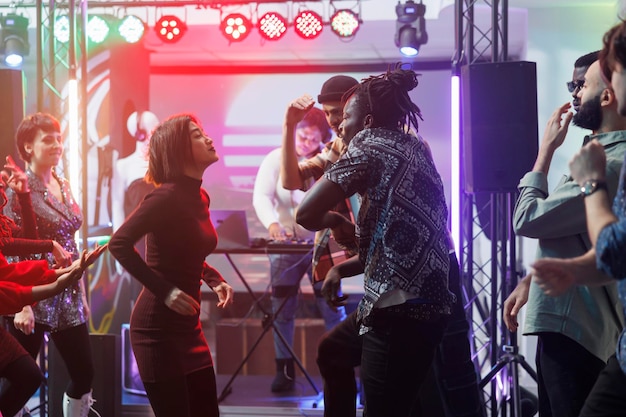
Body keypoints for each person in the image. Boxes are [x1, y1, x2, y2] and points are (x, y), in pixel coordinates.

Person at [296, 66, 455, 417]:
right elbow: (399, 243)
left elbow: (305, 213)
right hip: (426, 303)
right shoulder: (413, 146)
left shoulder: (367, 145)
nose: (339, 127)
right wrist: (342, 270)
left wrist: (336, 219)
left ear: (366, 121)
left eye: (345, 118)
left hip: (397, 311)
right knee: (333, 352)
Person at [506, 53, 626, 416]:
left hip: (578, 328)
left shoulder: (612, 162)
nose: (575, 94)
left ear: (606, 97)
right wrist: (538, 275)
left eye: (582, 86)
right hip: (572, 321)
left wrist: (545, 151)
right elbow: (586, 237)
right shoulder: (600, 155)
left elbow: (527, 219)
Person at [108, 113, 235, 417]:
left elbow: (187, 251)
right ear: (180, 149)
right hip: (157, 330)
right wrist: (165, 291)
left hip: (188, 327)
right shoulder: (164, 196)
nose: (207, 138)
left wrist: (214, 279)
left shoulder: (199, 195)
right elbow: (118, 244)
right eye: (196, 134)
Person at [3, 113, 97, 417]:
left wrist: (80, 292)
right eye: (48, 139)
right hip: (34, 289)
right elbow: (12, 245)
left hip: (67, 291)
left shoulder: (63, 181)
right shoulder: (18, 187)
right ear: (28, 147)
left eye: (59, 138)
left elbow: (70, 239)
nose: (57, 144)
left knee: (84, 373)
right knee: (22, 376)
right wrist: (23, 304)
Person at [253, 107, 344, 392]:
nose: (305, 143)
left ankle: (340, 366)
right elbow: (261, 197)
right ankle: (284, 370)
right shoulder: (275, 159)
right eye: (302, 136)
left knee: (330, 303)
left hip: (321, 244)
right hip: (286, 247)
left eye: (312, 140)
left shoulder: (325, 160)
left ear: (322, 140)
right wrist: (272, 225)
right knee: (282, 308)